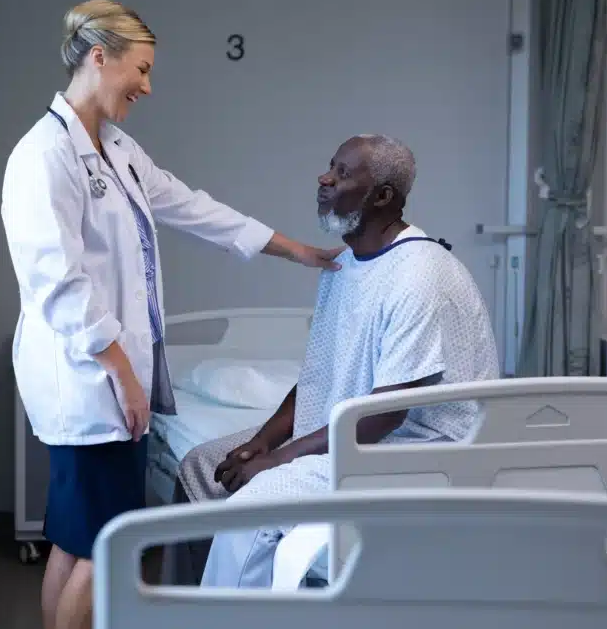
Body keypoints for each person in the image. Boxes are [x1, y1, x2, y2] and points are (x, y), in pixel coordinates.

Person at [0, 0, 343, 629]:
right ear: (100, 57)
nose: (149, 87)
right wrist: (124, 375)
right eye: (143, 69)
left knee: (78, 540)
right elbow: (57, 283)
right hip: (87, 380)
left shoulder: (118, 150)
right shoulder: (42, 157)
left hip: (105, 379)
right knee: (103, 545)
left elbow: (195, 208)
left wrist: (298, 252)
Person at [163, 134, 500, 589]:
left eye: (342, 173)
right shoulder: (344, 266)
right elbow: (320, 374)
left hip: (411, 452)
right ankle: (190, 610)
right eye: (330, 167)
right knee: (201, 467)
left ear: (383, 196)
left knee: (254, 505)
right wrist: (264, 441)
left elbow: (385, 415)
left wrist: (278, 461)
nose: (324, 179)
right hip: (350, 433)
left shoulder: (420, 275)